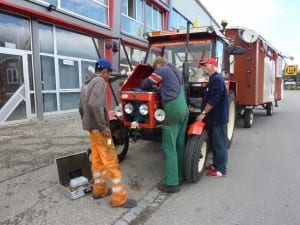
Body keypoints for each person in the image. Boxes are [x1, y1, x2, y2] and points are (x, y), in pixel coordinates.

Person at [79, 58, 137, 208]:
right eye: (109, 72)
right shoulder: (99, 82)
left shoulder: (86, 83)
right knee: (111, 161)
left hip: (92, 131)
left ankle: (99, 190)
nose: (109, 76)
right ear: (104, 71)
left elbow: (81, 107)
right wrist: (103, 126)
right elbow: (94, 104)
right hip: (101, 131)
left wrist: (89, 124)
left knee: (97, 161)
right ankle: (119, 199)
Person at [140, 56, 189, 193]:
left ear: (160, 64)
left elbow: (145, 83)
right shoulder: (177, 71)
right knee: (179, 144)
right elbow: (171, 89)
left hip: (172, 109)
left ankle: (171, 183)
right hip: (183, 108)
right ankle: (179, 177)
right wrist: (160, 88)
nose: (156, 71)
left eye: (156, 68)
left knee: (169, 145)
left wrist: (150, 84)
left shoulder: (163, 70)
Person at [197, 58, 229, 177]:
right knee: (216, 143)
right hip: (214, 118)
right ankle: (216, 165)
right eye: (203, 65)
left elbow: (214, 99)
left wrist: (203, 113)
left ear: (213, 65)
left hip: (218, 118)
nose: (203, 67)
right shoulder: (212, 79)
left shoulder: (217, 79)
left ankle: (221, 170)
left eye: (205, 65)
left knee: (220, 144)